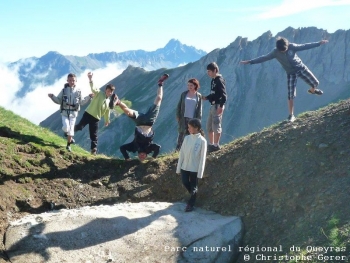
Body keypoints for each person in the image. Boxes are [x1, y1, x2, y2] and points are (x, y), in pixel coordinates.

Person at [240, 37, 329, 122]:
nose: (283, 51)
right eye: (281, 51)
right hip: (291, 73)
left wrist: (318, 43)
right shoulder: (275, 52)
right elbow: (264, 58)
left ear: (287, 46)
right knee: (291, 94)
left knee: (315, 82)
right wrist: (250, 62)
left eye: (284, 50)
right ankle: (291, 115)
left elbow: (304, 46)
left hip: (301, 68)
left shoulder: (292, 46)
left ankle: (312, 90)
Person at [113, 73, 169, 161]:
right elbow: (158, 147)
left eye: (140, 157)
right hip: (150, 120)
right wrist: (153, 157)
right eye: (144, 157)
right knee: (159, 99)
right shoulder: (150, 148)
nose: (142, 156)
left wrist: (127, 158)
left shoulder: (134, 147)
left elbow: (122, 148)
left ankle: (118, 102)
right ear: (146, 156)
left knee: (128, 112)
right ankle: (160, 83)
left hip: (139, 122)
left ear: (137, 156)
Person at [48, 73, 92, 152]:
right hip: (64, 112)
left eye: (73, 80)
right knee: (66, 127)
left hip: (73, 114)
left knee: (71, 130)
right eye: (70, 80)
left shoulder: (78, 91)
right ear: (67, 80)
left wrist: (89, 97)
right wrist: (52, 97)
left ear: (76, 81)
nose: (72, 82)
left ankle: (68, 145)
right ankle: (67, 134)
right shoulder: (64, 90)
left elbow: (81, 102)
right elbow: (58, 100)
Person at [74, 72, 115, 155]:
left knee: (94, 135)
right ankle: (69, 132)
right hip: (88, 113)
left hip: (96, 119)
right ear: (105, 90)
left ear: (112, 92)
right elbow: (93, 88)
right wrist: (90, 79)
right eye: (108, 91)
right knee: (79, 127)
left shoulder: (108, 101)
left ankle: (93, 150)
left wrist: (107, 120)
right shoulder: (99, 93)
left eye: (111, 92)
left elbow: (107, 112)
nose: (109, 92)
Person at [176, 118, 207, 212]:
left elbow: (203, 158)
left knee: (194, 187)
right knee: (185, 182)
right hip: (184, 167)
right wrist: (178, 168)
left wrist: (200, 173)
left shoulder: (202, 141)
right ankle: (194, 195)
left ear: (196, 128)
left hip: (195, 168)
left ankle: (190, 204)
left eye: (190, 127)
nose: (188, 129)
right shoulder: (187, 138)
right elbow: (181, 153)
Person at [201, 62, 227, 152]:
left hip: (217, 106)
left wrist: (221, 106)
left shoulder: (219, 80)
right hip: (212, 105)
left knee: (216, 125)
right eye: (207, 71)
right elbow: (214, 94)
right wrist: (207, 98)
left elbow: (223, 95)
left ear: (215, 70)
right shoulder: (213, 80)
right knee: (209, 126)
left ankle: (216, 145)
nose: (208, 73)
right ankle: (211, 144)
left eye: (209, 71)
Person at [175, 78, 202, 151]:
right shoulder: (184, 94)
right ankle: (178, 150)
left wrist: (198, 120)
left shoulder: (198, 96)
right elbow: (179, 105)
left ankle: (189, 150)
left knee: (191, 134)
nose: (189, 87)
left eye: (191, 85)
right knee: (181, 133)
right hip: (183, 117)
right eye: (188, 85)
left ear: (195, 86)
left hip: (193, 118)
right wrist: (178, 115)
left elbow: (199, 109)